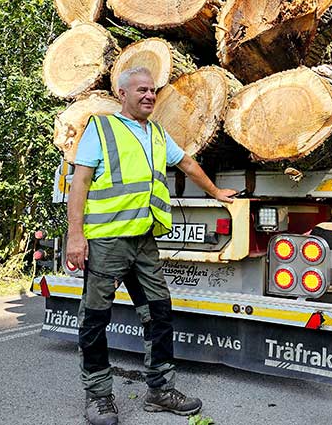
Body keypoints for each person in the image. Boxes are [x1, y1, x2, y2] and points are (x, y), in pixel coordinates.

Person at [66, 66, 236, 425]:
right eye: (140, 90)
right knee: (96, 319)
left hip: (143, 243)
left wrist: (217, 192)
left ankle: (160, 390)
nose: (148, 95)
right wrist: (75, 235)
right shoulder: (102, 128)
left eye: (152, 91)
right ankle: (98, 397)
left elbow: (187, 163)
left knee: (159, 312)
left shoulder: (158, 134)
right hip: (107, 242)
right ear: (122, 94)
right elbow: (79, 182)